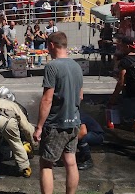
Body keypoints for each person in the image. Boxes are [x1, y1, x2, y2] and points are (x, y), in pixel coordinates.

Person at [34, 31, 83, 194]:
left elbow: (47, 99)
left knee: (46, 164)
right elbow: (80, 96)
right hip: (74, 121)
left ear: (52, 45)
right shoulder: (77, 66)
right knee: (71, 161)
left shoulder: (52, 66)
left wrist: (39, 126)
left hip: (56, 124)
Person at [0, 87, 37, 180]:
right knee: (16, 144)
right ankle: (25, 169)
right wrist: (33, 141)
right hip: (8, 122)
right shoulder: (14, 105)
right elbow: (26, 126)